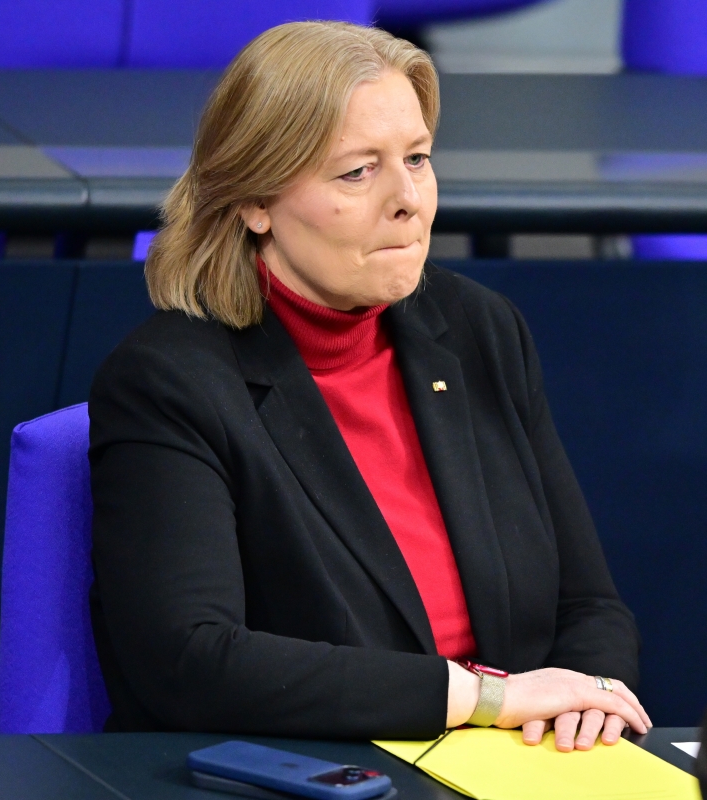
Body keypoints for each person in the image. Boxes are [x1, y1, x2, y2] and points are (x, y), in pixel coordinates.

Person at [88, 21, 650, 749]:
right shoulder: (171, 382)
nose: (408, 199)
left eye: (417, 159)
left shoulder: (477, 329)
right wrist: (485, 697)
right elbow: (190, 661)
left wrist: (589, 700)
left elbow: (589, 604)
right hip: (319, 767)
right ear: (255, 201)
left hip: (521, 761)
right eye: (358, 172)